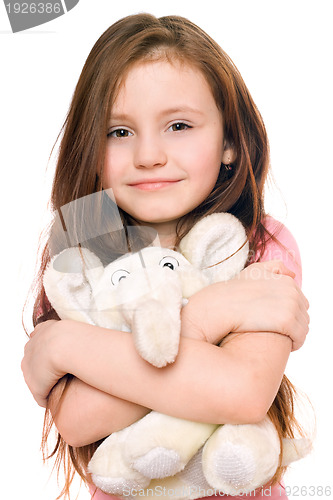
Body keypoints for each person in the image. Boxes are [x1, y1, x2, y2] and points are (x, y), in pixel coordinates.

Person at [21, 13, 310, 500]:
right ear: (90, 148)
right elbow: (79, 419)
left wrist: (64, 347)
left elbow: (240, 392)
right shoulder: (84, 246)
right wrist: (217, 317)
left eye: (178, 125)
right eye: (118, 132)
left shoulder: (257, 243)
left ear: (231, 145)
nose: (149, 154)